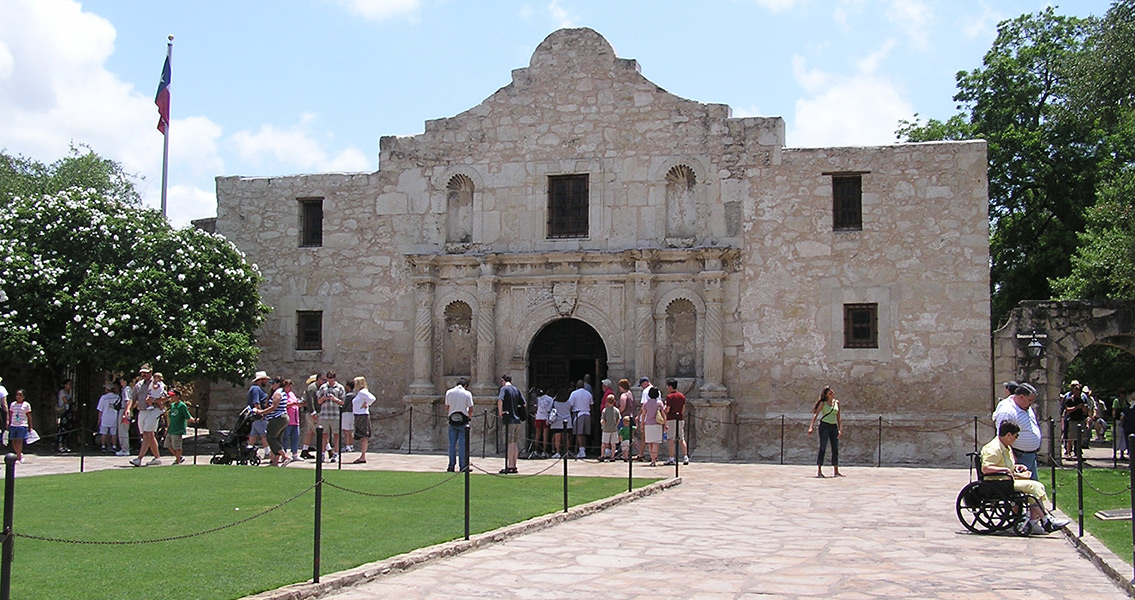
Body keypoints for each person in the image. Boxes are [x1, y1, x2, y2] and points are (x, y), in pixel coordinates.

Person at [981, 421, 1070, 535]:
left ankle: (1039, 520)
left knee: (1034, 487)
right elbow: (986, 468)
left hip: (1006, 480)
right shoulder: (993, 448)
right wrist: (1006, 470)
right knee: (1033, 486)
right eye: (1016, 436)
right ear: (1008, 435)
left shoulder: (1005, 447)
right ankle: (1045, 519)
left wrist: (1016, 467)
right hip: (998, 483)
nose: (1016, 439)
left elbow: (1005, 465)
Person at [992, 382, 1041, 480]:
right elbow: (1003, 437)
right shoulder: (1007, 411)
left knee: (1034, 485)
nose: (1031, 403)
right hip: (1018, 455)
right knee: (1027, 487)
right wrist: (1011, 456)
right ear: (1022, 397)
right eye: (1030, 400)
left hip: (1030, 455)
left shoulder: (1025, 407)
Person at [129, 369, 166, 467]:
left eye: (146, 372)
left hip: (154, 410)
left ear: (151, 372)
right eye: (142, 372)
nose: (143, 374)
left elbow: (166, 397)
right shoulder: (139, 385)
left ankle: (139, 458)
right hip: (142, 411)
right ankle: (157, 458)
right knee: (149, 435)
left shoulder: (158, 384)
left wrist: (153, 400)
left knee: (147, 434)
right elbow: (133, 398)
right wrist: (128, 410)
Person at [807, 386, 842, 477]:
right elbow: (816, 414)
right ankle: (819, 470)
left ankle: (836, 470)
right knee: (823, 447)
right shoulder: (823, 403)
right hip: (824, 426)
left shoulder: (836, 403)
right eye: (830, 393)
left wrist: (840, 429)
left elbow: (838, 417)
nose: (832, 394)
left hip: (833, 426)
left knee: (835, 448)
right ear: (826, 395)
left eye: (832, 393)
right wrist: (811, 427)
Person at [256, 378, 290, 467]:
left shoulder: (278, 393)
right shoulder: (282, 392)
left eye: (273, 383)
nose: (272, 385)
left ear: (278, 383)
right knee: (277, 439)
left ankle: (285, 456)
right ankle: (275, 462)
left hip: (277, 418)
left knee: (270, 438)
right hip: (282, 418)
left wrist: (261, 412)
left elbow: (273, 407)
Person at [445, 377, 474, 472]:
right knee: (462, 445)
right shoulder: (467, 394)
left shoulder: (449, 392)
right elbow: (471, 409)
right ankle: (463, 466)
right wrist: (469, 417)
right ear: (465, 385)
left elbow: (447, 407)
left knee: (452, 445)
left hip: (452, 419)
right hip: (463, 420)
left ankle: (451, 465)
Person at [317, 371, 346, 462]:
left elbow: (343, 402)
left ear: (334, 378)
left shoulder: (340, 387)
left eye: (331, 378)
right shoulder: (323, 387)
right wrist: (324, 398)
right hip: (325, 414)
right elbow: (318, 401)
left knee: (336, 435)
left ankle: (336, 453)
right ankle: (322, 453)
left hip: (335, 414)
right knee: (324, 435)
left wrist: (334, 399)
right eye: (328, 378)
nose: (330, 380)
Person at [498, 375, 524, 474]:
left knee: (509, 443)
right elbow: (523, 404)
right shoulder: (516, 390)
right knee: (514, 443)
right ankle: (514, 464)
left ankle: (510, 465)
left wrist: (500, 412)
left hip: (509, 420)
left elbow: (500, 400)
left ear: (503, 380)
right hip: (517, 420)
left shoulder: (504, 389)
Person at [164, 389, 197, 464]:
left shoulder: (182, 405)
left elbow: (187, 416)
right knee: (168, 445)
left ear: (178, 396)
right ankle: (179, 457)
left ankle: (178, 460)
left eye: (173, 396)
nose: (171, 397)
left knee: (177, 446)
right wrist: (167, 427)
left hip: (178, 429)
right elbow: (170, 417)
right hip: (171, 428)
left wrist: (194, 420)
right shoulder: (172, 405)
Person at [300, 372, 326, 459]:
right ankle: (329, 450)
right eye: (323, 379)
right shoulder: (312, 388)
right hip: (314, 413)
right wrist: (313, 412)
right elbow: (310, 401)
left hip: (315, 412)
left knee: (310, 432)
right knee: (320, 431)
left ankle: (305, 450)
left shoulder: (319, 388)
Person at [663, 378, 689, 466]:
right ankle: (685, 456)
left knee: (671, 439)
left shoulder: (669, 397)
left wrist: (664, 409)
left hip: (671, 419)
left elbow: (668, 409)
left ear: (670, 386)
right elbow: (683, 409)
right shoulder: (682, 396)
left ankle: (671, 458)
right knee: (681, 439)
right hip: (680, 419)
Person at [246, 371, 270, 458]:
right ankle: (267, 452)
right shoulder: (256, 389)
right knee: (264, 434)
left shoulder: (254, 388)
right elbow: (256, 402)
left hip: (254, 416)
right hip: (258, 416)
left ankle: (248, 451)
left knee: (254, 434)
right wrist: (261, 413)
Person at [639, 386, 665, 466]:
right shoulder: (659, 403)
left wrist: (642, 424)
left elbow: (644, 415)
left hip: (648, 424)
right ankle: (654, 459)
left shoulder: (646, 403)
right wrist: (665, 423)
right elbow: (663, 414)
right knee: (656, 443)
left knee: (650, 443)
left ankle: (652, 459)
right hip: (656, 424)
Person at [1062, 381, 1089, 458]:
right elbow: (1067, 409)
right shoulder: (1069, 399)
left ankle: (1078, 453)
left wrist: (1084, 409)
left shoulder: (1081, 399)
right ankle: (1068, 453)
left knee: (1080, 438)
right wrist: (1077, 407)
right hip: (1072, 420)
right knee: (1071, 438)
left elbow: (1085, 411)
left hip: (1080, 419)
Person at [351, 376, 374, 464]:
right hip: (358, 415)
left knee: (364, 436)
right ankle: (362, 455)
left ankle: (363, 456)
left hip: (362, 415)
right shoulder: (360, 393)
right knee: (361, 436)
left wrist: (367, 404)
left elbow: (372, 398)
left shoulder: (363, 392)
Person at [568, 379, 592, 459]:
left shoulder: (574, 393)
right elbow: (591, 405)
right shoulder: (588, 394)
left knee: (579, 433)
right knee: (584, 433)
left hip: (579, 414)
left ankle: (581, 451)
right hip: (587, 413)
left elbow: (570, 404)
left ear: (577, 386)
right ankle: (583, 449)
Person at [7, 390, 32, 462]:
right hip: (13, 425)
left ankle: (18, 457)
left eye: (20, 395)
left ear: (23, 397)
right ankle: (19, 453)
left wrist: (30, 426)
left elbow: (29, 416)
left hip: (22, 425)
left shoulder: (26, 405)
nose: (18, 397)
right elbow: (10, 414)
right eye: (17, 395)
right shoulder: (13, 404)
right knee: (13, 442)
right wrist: (8, 423)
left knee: (19, 441)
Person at [95, 382, 119, 452]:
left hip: (105, 417)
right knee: (113, 433)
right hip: (114, 416)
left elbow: (100, 409)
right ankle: (114, 446)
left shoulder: (103, 397)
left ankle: (103, 446)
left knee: (103, 432)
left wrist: (99, 419)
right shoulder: (117, 397)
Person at [284, 383, 305, 462]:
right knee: (285, 438)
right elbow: (283, 405)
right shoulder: (283, 394)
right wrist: (292, 404)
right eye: (288, 386)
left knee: (295, 437)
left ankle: (295, 454)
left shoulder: (291, 394)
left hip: (295, 420)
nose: (290, 387)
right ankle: (284, 454)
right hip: (288, 420)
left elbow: (296, 402)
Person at [615, 379, 635, 459]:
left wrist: (617, 413)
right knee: (631, 436)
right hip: (631, 416)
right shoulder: (630, 393)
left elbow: (622, 407)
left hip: (624, 418)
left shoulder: (623, 395)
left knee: (622, 436)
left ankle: (624, 454)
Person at [549, 389, 571, 458]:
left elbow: (549, 409)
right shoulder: (568, 402)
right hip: (567, 421)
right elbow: (571, 409)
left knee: (557, 438)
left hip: (557, 422)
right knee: (566, 438)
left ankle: (557, 452)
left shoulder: (554, 402)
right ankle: (566, 452)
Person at [115, 375, 133, 456]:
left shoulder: (126, 389)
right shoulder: (126, 389)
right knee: (123, 429)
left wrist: (126, 411)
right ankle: (124, 448)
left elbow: (128, 401)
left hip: (124, 410)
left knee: (123, 430)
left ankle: (125, 449)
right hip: (124, 410)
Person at [533, 388, 553, 458]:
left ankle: (535, 450)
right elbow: (550, 409)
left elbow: (535, 407)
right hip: (546, 417)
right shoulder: (550, 399)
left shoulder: (537, 399)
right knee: (545, 435)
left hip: (538, 417)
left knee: (537, 434)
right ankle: (544, 451)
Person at [599, 395, 620, 461]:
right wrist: (616, 424)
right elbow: (618, 419)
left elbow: (603, 420)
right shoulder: (616, 410)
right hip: (614, 429)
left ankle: (602, 455)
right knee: (613, 444)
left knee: (604, 443)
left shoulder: (605, 410)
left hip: (606, 429)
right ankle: (612, 456)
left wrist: (602, 423)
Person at [56, 378, 74, 453]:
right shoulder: (62, 392)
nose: (71, 386)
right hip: (64, 412)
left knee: (67, 429)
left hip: (68, 413)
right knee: (62, 428)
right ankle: (60, 445)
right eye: (69, 384)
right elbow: (66, 401)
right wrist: (70, 402)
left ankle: (65, 445)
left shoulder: (68, 392)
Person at [342, 380, 357, 454]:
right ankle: (351, 445)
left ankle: (347, 446)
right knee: (351, 430)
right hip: (353, 413)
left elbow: (343, 405)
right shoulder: (355, 395)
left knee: (346, 430)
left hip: (346, 413)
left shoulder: (347, 396)